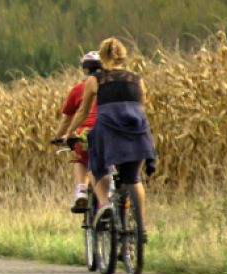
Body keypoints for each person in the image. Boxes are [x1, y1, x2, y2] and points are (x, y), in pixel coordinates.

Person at [54, 36, 157, 223]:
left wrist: (69, 134)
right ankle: (140, 228)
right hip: (137, 133)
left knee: (94, 164)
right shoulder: (136, 80)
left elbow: (82, 112)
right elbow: (141, 108)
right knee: (134, 179)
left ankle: (102, 202)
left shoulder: (94, 81)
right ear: (123, 56)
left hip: (107, 132)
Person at [56, 51, 101, 213]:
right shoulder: (110, 86)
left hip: (85, 132)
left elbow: (67, 119)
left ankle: (81, 189)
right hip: (109, 131)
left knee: (80, 159)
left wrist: (59, 136)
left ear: (85, 70)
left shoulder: (78, 89)